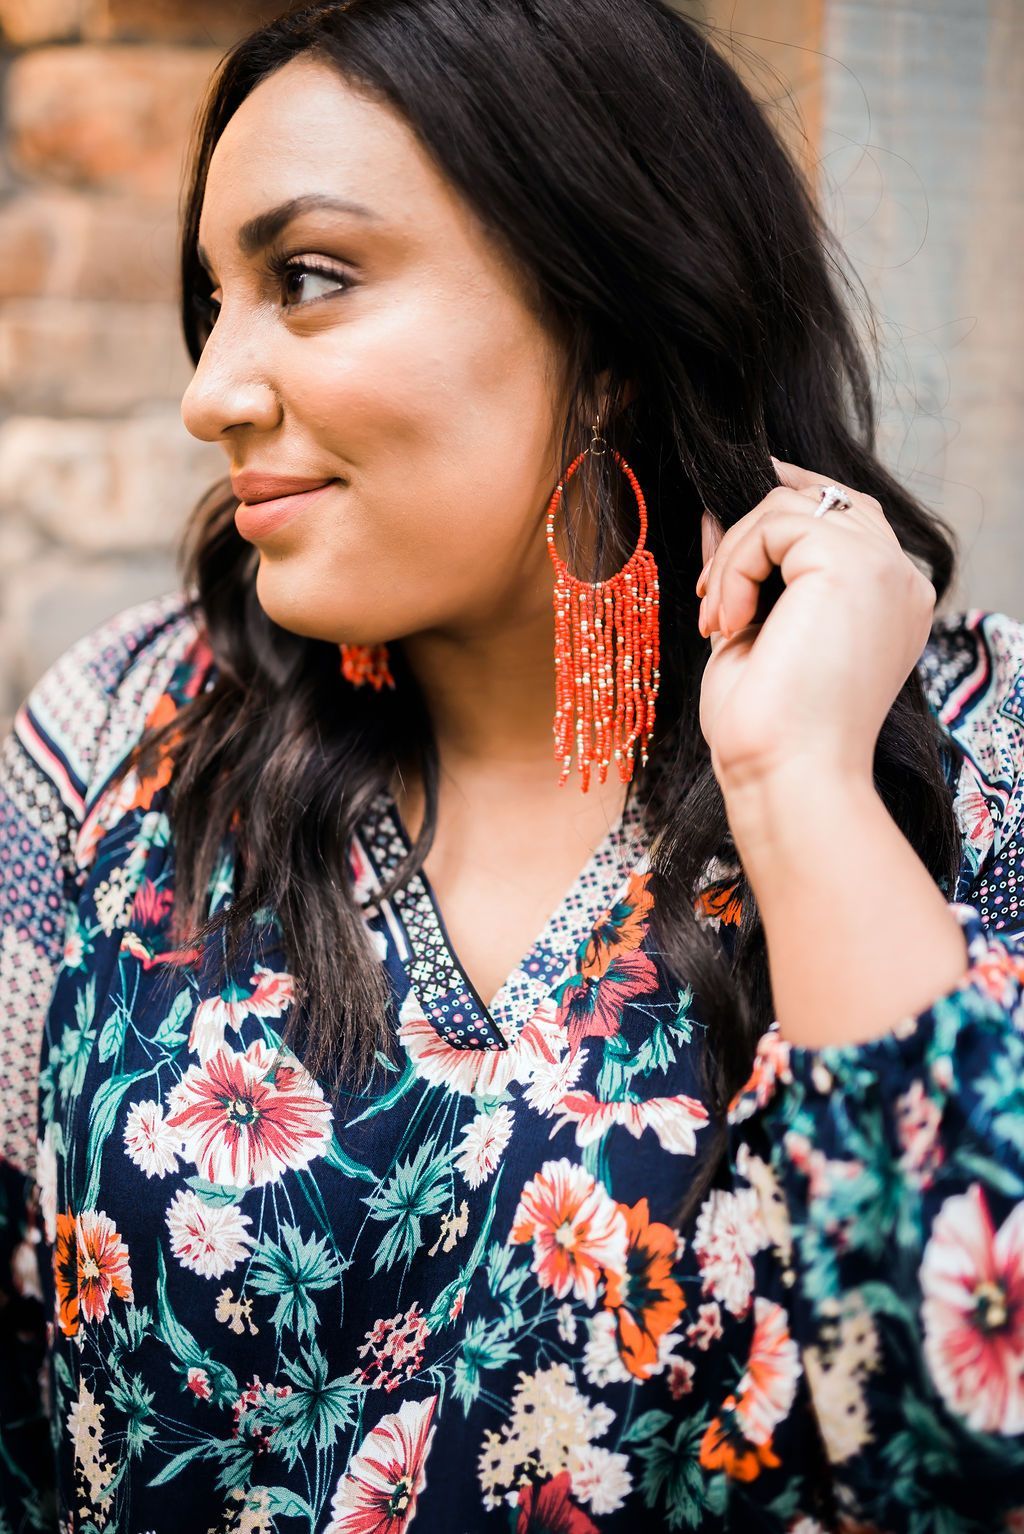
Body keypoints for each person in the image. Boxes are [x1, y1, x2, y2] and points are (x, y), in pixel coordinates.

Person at [1, 0, 1022, 1529]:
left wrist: (801, 787)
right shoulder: (116, 732)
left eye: (311, 278)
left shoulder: (973, 770)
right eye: (215, 302)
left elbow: (968, 1459)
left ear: (604, 336)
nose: (214, 387)